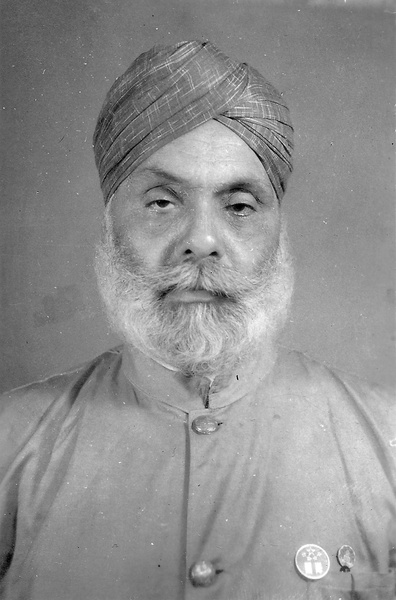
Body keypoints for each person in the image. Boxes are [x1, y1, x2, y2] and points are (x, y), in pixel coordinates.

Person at [0, 40, 394, 600]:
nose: (202, 242)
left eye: (239, 207)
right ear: (110, 224)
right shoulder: (11, 444)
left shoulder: (386, 441)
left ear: (279, 231)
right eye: (162, 202)